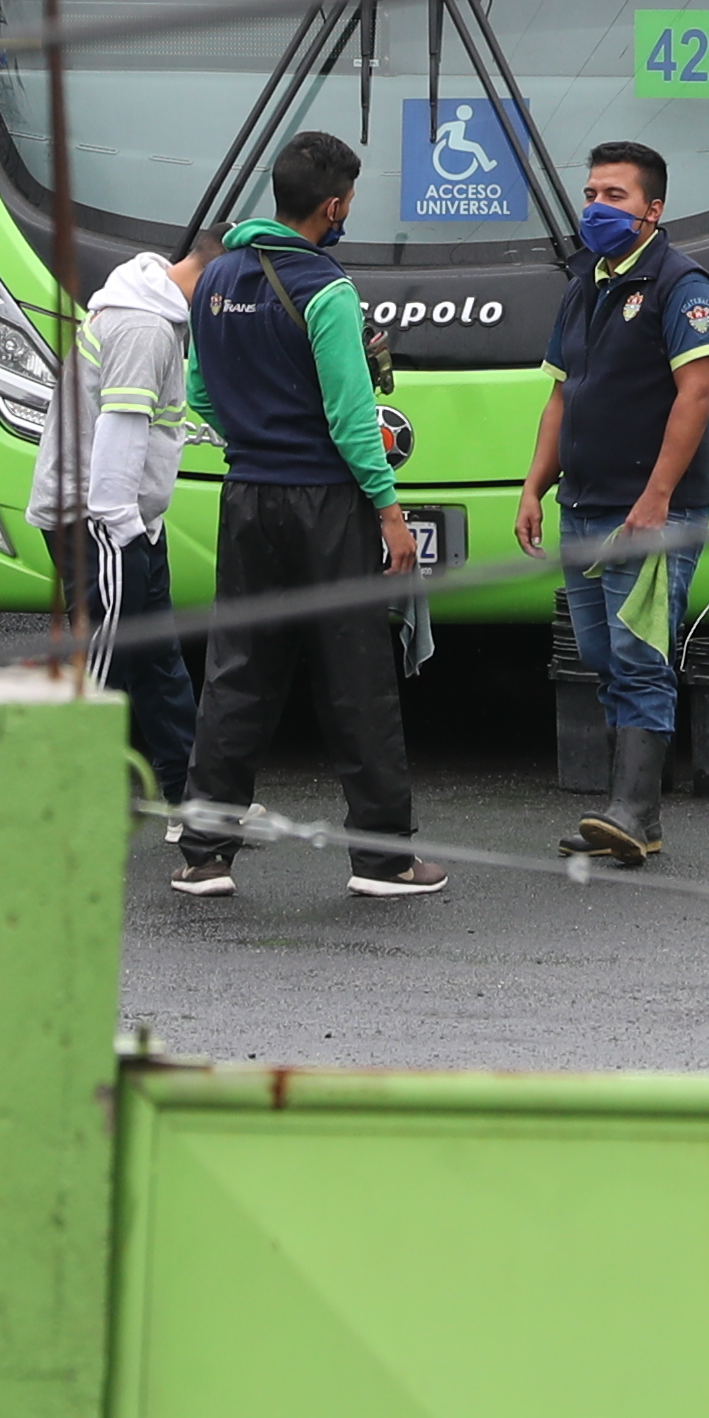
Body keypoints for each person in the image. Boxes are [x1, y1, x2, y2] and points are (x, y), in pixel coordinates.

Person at [169, 130, 444, 901]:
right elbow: (355, 419)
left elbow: (196, 395)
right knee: (355, 675)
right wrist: (389, 513)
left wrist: (255, 442)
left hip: (247, 496)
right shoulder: (327, 289)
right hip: (325, 502)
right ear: (333, 205)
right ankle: (384, 860)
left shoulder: (217, 274)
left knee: (236, 673)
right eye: (349, 200)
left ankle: (203, 855)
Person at [515, 140, 709, 868]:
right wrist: (533, 487)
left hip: (647, 513)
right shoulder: (586, 286)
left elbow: (696, 394)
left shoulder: (684, 285)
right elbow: (560, 394)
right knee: (604, 656)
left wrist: (657, 498)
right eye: (592, 195)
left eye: (615, 197)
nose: (596, 208)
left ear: (653, 210)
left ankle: (632, 812)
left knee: (638, 657)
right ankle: (633, 809)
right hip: (583, 507)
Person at [25, 240, 200, 816]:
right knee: (104, 664)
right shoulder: (146, 328)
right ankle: (60, 808)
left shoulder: (156, 312)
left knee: (157, 660)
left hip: (130, 522)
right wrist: (124, 526)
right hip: (101, 522)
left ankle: (189, 801)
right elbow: (121, 430)